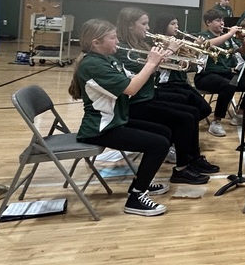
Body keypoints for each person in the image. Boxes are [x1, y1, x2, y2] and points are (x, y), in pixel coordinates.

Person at [69, 19, 173, 216]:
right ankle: (136, 197)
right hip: (100, 128)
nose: (117, 41)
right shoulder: (92, 65)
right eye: (113, 38)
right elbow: (131, 89)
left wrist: (155, 64)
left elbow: (133, 80)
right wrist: (151, 62)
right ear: (96, 42)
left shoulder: (108, 59)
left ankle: (141, 182)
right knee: (158, 144)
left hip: (116, 120)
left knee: (164, 132)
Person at [115, 8, 216, 184]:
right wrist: (168, 52)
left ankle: (193, 158)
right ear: (130, 26)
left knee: (192, 111)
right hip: (135, 102)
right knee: (185, 117)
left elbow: (156, 67)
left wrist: (177, 55)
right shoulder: (123, 48)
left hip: (148, 94)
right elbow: (143, 71)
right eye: (144, 24)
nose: (147, 28)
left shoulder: (141, 43)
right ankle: (181, 168)